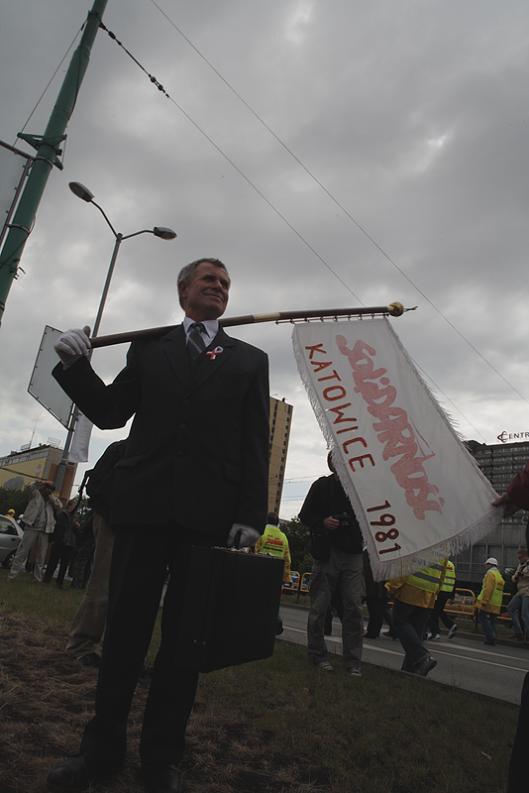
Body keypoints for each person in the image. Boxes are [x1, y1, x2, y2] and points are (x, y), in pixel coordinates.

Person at [46, 257, 269, 793]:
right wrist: (75, 366)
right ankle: (99, 753)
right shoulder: (150, 348)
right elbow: (109, 413)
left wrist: (249, 515)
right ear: (183, 290)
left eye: (226, 283)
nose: (219, 287)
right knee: (123, 636)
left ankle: (160, 759)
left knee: (184, 644)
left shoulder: (249, 360)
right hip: (143, 510)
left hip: (208, 519)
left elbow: (254, 442)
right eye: (209, 279)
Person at [299, 451, 364, 676]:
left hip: (354, 553)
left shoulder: (361, 488)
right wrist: (323, 521)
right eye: (338, 460)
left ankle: (353, 661)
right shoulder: (321, 486)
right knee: (320, 607)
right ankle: (317, 655)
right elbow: (305, 515)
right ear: (331, 464)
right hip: (327, 553)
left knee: (354, 606)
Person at [66, 440, 127, 667]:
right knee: (102, 583)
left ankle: (114, 649)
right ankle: (81, 645)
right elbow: (96, 487)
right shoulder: (122, 448)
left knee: (120, 588)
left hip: (135, 525)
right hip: (113, 521)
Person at [386, 563, 445, 676]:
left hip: (411, 589)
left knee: (399, 621)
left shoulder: (414, 543)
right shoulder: (442, 546)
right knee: (416, 632)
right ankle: (410, 671)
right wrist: (435, 592)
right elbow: (442, 572)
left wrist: (391, 586)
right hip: (429, 592)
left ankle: (421, 657)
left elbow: (404, 565)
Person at [8, 481, 58, 582]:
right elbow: (29, 486)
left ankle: (38, 578)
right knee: (23, 551)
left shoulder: (51, 501)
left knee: (41, 555)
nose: (48, 490)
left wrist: (51, 497)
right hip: (32, 527)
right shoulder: (35, 495)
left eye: (51, 489)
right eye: (47, 488)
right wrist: (40, 482)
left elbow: (59, 505)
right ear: (43, 488)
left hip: (45, 530)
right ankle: (12, 575)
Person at [255, 512, 291, 635]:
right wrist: (286, 578)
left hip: (260, 573)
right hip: (276, 577)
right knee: (272, 603)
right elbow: (287, 560)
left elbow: (254, 551)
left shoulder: (261, 533)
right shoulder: (283, 537)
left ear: (266, 521)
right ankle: (274, 624)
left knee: (256, 601)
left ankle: (257, 626)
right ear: (278, 523)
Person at [43, 499, 79, 588]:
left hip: (68, 543)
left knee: (62, 564)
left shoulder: (72, 517)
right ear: (70, 506)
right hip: (62, 541)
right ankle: (48, 579)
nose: (75, 508)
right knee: (54, 561)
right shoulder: (64, 515)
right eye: (74, 506)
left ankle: (58, 581)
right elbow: (59, 528)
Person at [426, 559, 458, 640]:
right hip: (447, 591)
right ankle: (449, 626)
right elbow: (454, 579)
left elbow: (435, 576)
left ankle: (435, 633)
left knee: (432, 612)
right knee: (438, 610)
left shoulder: (439, 562)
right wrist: (452, 595)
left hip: (439, 591)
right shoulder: (451, 564)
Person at [476, 557, 505, 646]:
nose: (485, 566)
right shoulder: (498, 575)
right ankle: (491, 639)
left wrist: (484, 601)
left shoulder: (490, 574)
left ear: (489, 565)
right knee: (492, 621)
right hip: (496, 603)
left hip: (488, 602)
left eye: (486, 564)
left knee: (482, 618)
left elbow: (488, 588)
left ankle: (490, 637)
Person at [505, 548, 529, 641]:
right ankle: (518, 632)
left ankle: (527, 634)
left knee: (525, 614)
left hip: (527, 591)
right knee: (510, 608)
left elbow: (524, 575)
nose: (519, 559)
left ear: (525, 556)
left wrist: (522, 575)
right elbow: (514, 577)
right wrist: (517, 576)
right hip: (520, 590)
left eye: (520, 557)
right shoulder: (520, 565)